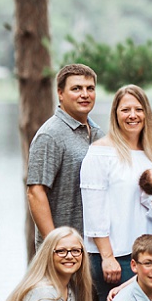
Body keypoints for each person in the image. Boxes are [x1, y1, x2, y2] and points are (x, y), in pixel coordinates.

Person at [80, 85, 152, 301]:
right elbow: (93, 209)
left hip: (150, 255)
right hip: (116, 256)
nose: (132, 115)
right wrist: (107, 257)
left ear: (146, 113)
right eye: (125, 109)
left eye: (138, 109)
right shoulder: (100, 153)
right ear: (115, 114)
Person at [27, 64, 103, 247]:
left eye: (90, 89)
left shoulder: (98, 133)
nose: (84, 94)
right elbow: (35, 193)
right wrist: (56, 243)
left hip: (94, 249)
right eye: (76, 89)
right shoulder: (50, 135)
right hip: (64, 252)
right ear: (60, 93)